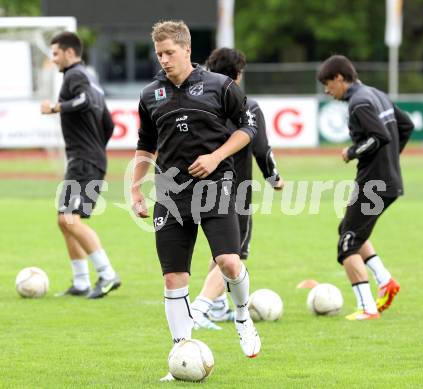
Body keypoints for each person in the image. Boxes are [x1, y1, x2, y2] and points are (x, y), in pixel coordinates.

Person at [130, 21, 261, 380]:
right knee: (173, 279)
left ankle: (242, 316)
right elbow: (145, 144)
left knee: (229, 262)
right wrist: (136, 188)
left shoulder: (220, 87)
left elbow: (248, 128)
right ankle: (181, 353)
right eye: (159, 54)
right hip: (171, 195)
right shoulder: (149, 94)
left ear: (187, 50)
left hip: (216, 186)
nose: (164, 60)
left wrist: (216, 157)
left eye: (170, 52)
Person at [190, 48, 284, 330]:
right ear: (239, 74)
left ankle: (217, 310)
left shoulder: (199, 103)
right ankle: (199, 308)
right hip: (235, 191)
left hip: (198, 187)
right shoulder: (247, 105)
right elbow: (261, 148)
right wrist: (273, 178)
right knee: (235, 254)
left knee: (221, 251)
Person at [317, 55, 414, 320]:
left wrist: (352, 151)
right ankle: (386, 281)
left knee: (347, 244)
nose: (327, 90)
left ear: (339, 78)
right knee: (349, 231)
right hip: (388, 181)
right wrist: (392, 160)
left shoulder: (359, 103)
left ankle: (368, 307)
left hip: (375, 184)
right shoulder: (375, 93)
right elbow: (406, 126)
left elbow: (379, 137)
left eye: (328, 84)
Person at [41, 32, 120, 299]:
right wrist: (97, 147)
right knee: (64, 221)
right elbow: (108, 124)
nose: (53, 59)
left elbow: (83, 101)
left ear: (70, 53)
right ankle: (81, 281)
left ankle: (108, 275)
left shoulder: (75, 76)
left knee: (70, 219)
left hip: (84, 161)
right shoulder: (91, 80)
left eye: (55, 53)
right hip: (88, 159)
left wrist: (55, 107)